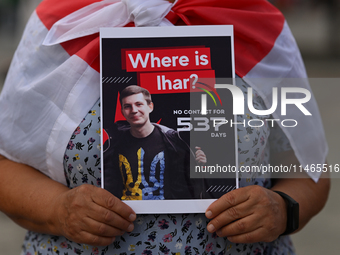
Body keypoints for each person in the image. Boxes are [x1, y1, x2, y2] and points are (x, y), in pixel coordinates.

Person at [0, 0, 330, 254]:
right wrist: (59, 210)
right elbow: (6, 166)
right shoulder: (63, 21)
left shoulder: (252, 18)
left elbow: (311, 171)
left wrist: (283, 209)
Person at [104, 85, 207, 200]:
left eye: (139, 104)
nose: (134, 110)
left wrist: (198, 165)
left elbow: (190, 183)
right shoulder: (112, 144)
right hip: (126, 213)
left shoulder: (174, 141)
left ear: (150, 107)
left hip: (167, 213)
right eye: (127, 106)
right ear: (122, 111)